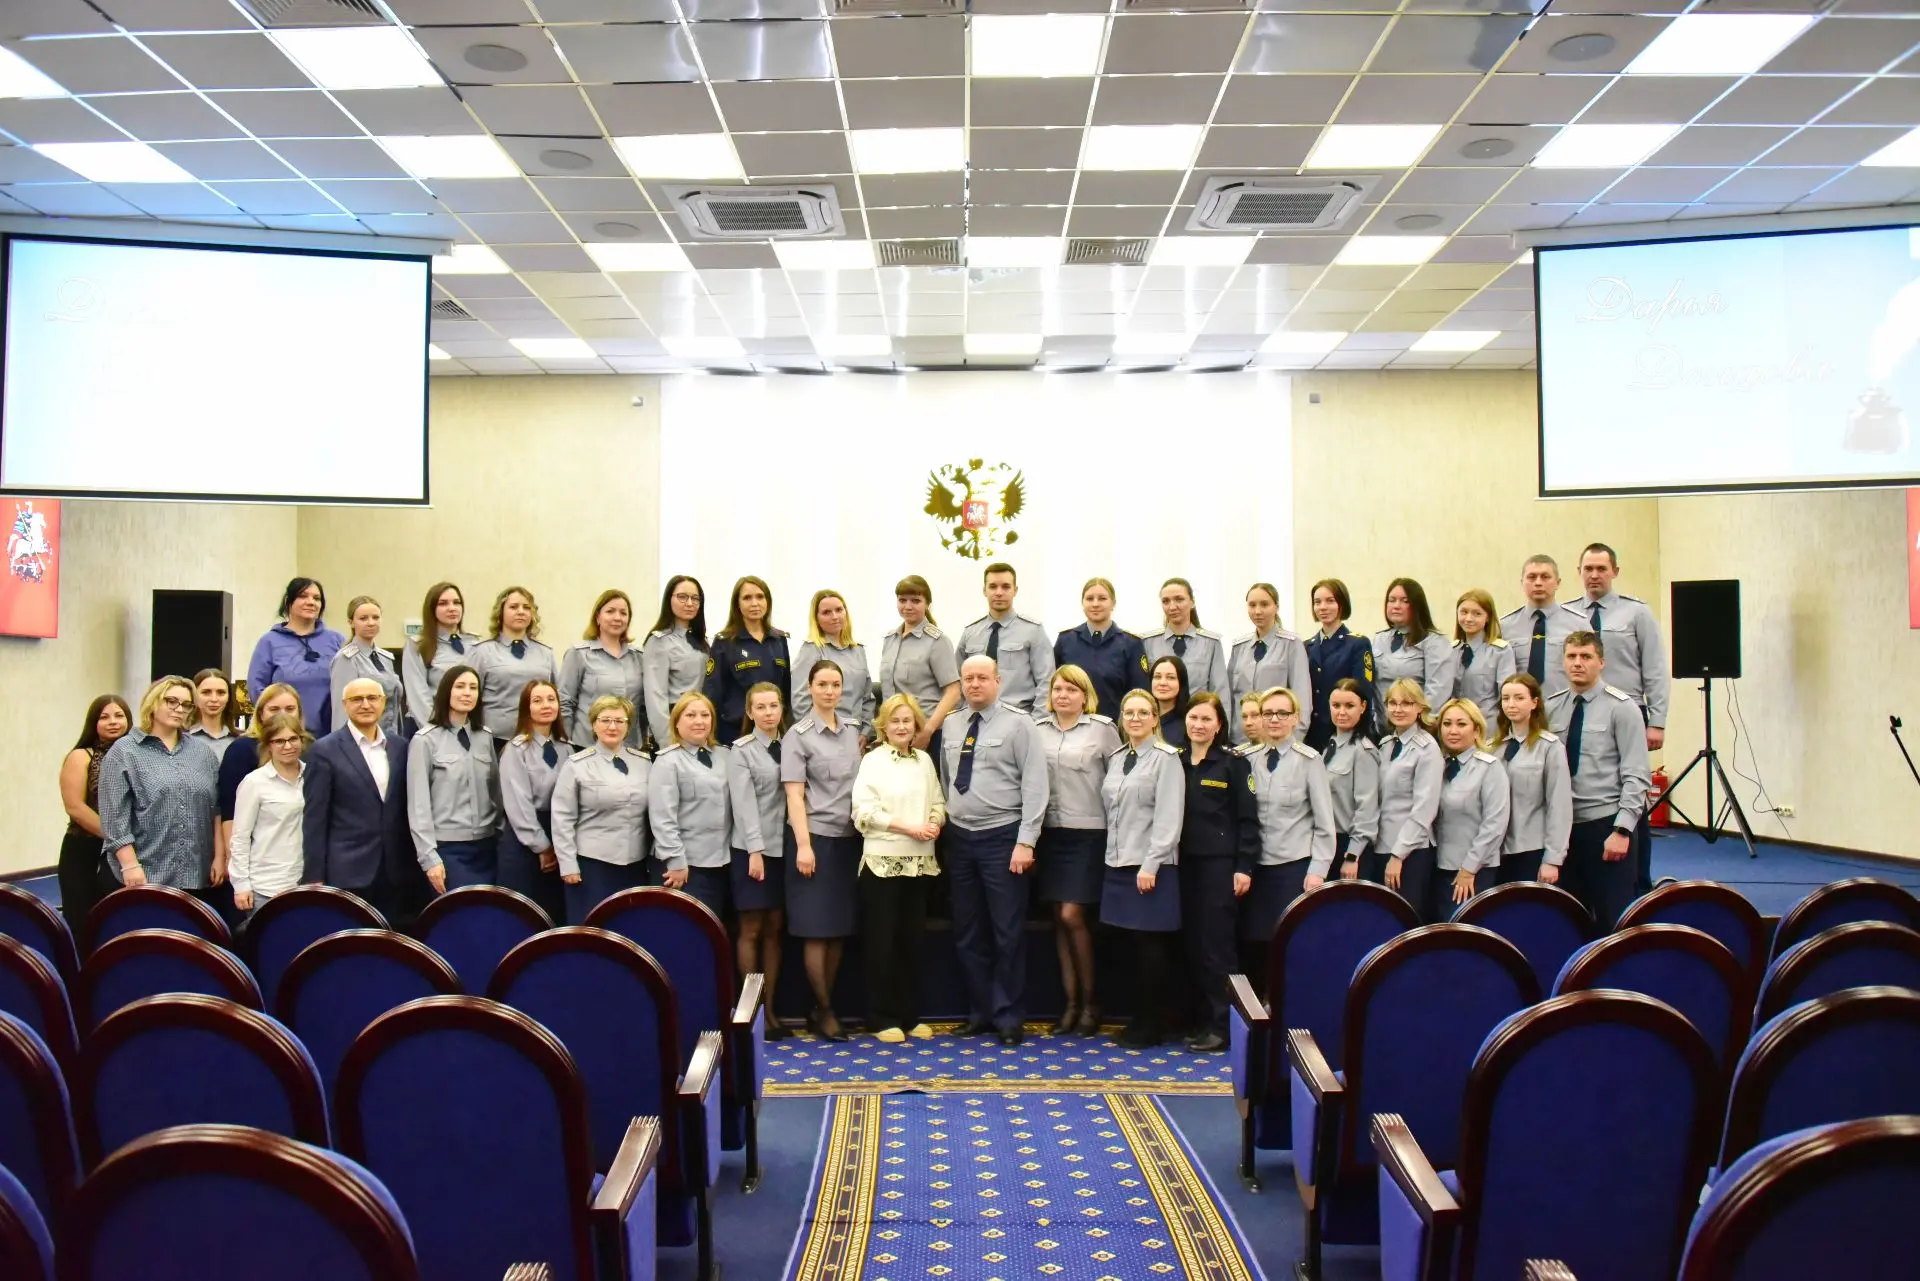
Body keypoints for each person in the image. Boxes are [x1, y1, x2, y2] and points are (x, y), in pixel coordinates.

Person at [942, 655, 1050, 1046]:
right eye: (968, 678)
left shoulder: (1020, 724)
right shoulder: (952, 722)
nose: (974, 684)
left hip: (1003, 838)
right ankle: (980, 1012)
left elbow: (1035, 785)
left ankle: (1008, 1016)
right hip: (960, 839)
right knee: (968, 932)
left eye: (982, 678)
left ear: (998, 681)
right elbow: (948, 778)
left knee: (1007, 932)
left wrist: (1026, 841)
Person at [1560, 543, 1668, 898]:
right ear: (1579, 572)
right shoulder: (1567, 615)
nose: (1594, 575)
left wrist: (1657, 720)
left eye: (1601, 569)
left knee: (1632, 798)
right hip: (1579, 710)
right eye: (1588, 569)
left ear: (1615, 572)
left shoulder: (1636, 612)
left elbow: (1654, 667)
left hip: (1626, 711)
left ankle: (1637, 883)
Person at [851, 693, 945, 1043]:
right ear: (884, 726)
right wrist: (909, 828)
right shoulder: (873, 761)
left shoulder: (924, 760)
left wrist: (934, 822)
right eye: (895, 721)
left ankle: (908, 1016)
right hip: (881, 864)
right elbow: (863, 812)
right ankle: (880, 1017)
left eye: (907, 721)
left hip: (919, 864)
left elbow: (938, 801)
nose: (902, 727)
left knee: (911, 943)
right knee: (882, 944)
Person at [1033, 665, 1120, 1036]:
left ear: (1085, 696)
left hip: (1089, 833)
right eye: (1057, 689)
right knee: (1058, 917)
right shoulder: (1036, 729)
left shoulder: (1102, 729)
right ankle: (1070, 1004)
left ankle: (1091, 1002)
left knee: (1073, 914)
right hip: (1051, 834)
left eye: (1071, 689)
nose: (1063, 695)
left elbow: (1119, 781)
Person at [1545, 632, 1652, 931]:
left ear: (1601, 662)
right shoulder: (1551, 707)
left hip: (1605, 826)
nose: (1578, 663)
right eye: (1571, 656)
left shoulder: (1623, 708)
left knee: (1613, 920)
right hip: (1564, 829)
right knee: (1567, 920)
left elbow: (1636, 774)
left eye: (1586, 656)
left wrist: (1622, 829)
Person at [782, 660, 864, 1041]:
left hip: (848, 840)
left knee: (837, 930)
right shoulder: (797, 736)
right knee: (815, 930)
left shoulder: (852, 732)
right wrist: (803, 845)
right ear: (810, 688)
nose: (830, 691)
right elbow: (794, 796)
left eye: (835, 685)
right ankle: (825, 1010)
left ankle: (821, 1009)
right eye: (822, 684)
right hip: (813, 839)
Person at [1100, 689, 1185, 1049]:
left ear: (1155, 718)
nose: (1135, 719)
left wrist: (1151, 864)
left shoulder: (1167, 759)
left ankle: (1154, 1024)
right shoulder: (1118, 757)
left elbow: (1169, 819)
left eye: (1142, 713)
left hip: (1151, 867)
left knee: (1151, 948)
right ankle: (1139, 1018)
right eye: (1129, 712)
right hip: (1118, 863)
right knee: (1130, 949)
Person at [1178, 692, 1260, 1053]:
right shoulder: (1175, 761)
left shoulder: (1232, 763)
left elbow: (1248, 821)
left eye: (1206, 719)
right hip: (1183, 866)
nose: (1198, 725)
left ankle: (1224, 1025)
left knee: (1218, 948)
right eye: (1193, 718)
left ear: (1219, 725)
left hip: (1219, 866)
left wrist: (1244, 866)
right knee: (1193, 945)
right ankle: (1202, 1020)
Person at [1241, 686, 1336, 985]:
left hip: (1293, 867)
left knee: (1289, 942)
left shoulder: (1309, 760)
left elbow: (1324, 823)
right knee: (1255, 944)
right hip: (1256, 867)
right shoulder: (1246, 759)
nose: (1274, 719)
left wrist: (1318, 870)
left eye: (1282, 713)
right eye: (1268, 713)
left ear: (1295, 718)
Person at [98, 676, 222, 899]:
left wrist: (219, 857)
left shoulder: (203, 753)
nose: (179, 709)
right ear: (153, 703)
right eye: (171, 701)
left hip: (199, 874)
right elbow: (114, 817)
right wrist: (130, 865)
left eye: (186, 704)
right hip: (144, 873)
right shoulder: (124, 751)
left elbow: (216, 810)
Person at [301, 677, 413, 920]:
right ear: (344, 704)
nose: (365, 704)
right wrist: (314, 876)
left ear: (383, 702)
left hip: (396, 871)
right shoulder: (324, 750)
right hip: (347, 872)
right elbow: (314, 819)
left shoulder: (401, 747)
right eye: (357, 699)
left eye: (372, 698)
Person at [551, 695, 651, 924]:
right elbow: (562, 818)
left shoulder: (644, 763)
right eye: (605, 720)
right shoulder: (577, 765)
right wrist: (567, 864)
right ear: (594, 725)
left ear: (628, 726)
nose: (612, 727)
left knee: (630, 929)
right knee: (592, 930)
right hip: (592, 866)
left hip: (635, 865)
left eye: (619, 721)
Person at [729, 681, 790, 1039]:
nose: (768, 713)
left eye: (773, 706)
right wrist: (755, 850)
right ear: (750, 712)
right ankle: (753, 1015)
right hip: (752, 850)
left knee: (773, 931)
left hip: (785, 849)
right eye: (761, 707)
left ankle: (773, 1009)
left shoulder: (791, 744)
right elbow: (743, 805)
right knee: (751, 930)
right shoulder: (742, 751)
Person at [406, 665, 499, 893]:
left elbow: (495, 791)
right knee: (460, 912)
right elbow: (418, 806)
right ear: (446, 691)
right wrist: (429, 857)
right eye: (460, 686)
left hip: (487, 845)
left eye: (473, 687)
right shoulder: (425, 740)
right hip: (447, 849)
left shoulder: (484, 737)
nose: (467, 693)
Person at [649, 691, 733, 918]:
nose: (699, 721)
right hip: (685, 866)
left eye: (705, 715)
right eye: (690, 715)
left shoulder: (725, 756)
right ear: (676, 722)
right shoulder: (668, 761)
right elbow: (662, 817)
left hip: (721, 862)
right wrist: (675, 861)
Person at [57, 694, 131, 933]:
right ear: (93, 723)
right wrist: (117, 837)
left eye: (119, 716)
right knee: (83, 923)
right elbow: (75, 808)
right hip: (85, 850)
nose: (113, 722)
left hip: (128, 852)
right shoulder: (81, 756)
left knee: (120, 921)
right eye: (104, 717)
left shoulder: (138, 756)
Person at [497, 679, 569, 923]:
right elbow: (519, 805)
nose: (545, 705)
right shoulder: (516, 749)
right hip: (525, 840)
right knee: (523, 917)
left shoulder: (566, 749)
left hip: (558, 835)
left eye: (551, 699)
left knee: (554, 916)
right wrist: (542, 847)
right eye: (537, 701)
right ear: (526, 708)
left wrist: (560, 845)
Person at [1432, 698, 1510, 921]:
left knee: (1462, 929)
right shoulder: (1437, 765)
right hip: (1438, 866)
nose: (1452, 731)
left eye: (1461, 724)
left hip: (1473, 870)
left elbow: (1494, 825)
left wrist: (1469, 869)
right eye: (1447, 724)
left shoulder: (1489, 768)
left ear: (1476, 730)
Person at [1491, 674, 1571, 886]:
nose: (1511, 704)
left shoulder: (1549, 747)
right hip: (1494, 850)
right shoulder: (1492, 747)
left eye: (1519, 698)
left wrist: (1553, 858)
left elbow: (1559, 805)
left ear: (1534, 702)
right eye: (1506, 698)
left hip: (1531, 848)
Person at [228, 712, 312, 914]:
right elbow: (240, 837)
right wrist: (241, 884)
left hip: (305, 882)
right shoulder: (254, 782)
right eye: (279, 741)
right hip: (266, 886)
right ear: (268, 745)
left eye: (293, 739)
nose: (288, 746)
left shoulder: (313, 775)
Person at [1374, 678, 1443, 920]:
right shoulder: (1385, 745)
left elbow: (1425, 809)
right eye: (1392, 703)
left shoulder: (1428, 749)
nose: (1398, 709)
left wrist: (1398, 854)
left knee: (1407, 919)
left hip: (1410, 851)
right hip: (1382, 845)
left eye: (1406, 703)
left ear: (1420, 708)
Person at [248, 577, 344, 734]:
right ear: (288, 602)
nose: (311, 602)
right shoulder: (269, 642)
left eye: (316, 598)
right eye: (303, 596)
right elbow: (257, 690)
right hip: (285, 735)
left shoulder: (337, 640)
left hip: (331, 736)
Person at [955, 562, 1053, 714]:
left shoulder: (1033, 631)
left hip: (1018, 716)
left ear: (1015, 590)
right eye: (993, 587)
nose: (999, 592)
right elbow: (957, 681)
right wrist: (963, 716)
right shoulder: (970, 632)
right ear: (984, 590)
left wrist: (1036, 722)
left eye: (1006, 587)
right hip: (976, 717)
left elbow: (1046, 682)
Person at [470, 586, 558, 752]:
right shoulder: (482, 652)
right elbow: (471, 697)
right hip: (495, 741)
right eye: (513, 607)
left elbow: (557, 697)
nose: (521, 612)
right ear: (500, 612)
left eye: (526, 607)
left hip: (536, 741)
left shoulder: (546, 653)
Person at [219, 683, 301, 857]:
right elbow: (230, 810)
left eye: (290, 709)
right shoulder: (241, 749)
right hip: (258, 856)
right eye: (274, 709)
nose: (282, 714)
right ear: (261, 714)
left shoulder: (309, 749)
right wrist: (231, 857)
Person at [881, 574, 960, 752]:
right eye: (902, 600)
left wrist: (928, 730)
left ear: (927, 604)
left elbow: (954, 692)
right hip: (895, 733)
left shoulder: (937, 641)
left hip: (926, 734)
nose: (908, 606)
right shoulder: (890, 640)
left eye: (915, 601)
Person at [705, 576, 791, 740]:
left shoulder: (779, 639)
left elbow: (785, 689)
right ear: (737, 604)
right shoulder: (725, 642)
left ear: (768, 601)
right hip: (735, 733)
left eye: (760, 597)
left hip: (773, 730)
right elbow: (712, 692)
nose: (754, 603)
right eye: (747, 598)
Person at [560, 589, 644, 748]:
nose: (617, 617)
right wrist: (565, 745)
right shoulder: (578, 654)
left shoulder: (639, 657)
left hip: (629, 747)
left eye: (623, 613)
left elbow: (644, 708)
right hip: (586, 746)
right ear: (598, 617)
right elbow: (565, 702)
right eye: (610, 611)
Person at [1228, 582, 1310, 744]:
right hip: (1240, 740)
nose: (1258, 611)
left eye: (1264, 604)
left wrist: (1293, 741)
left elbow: (1302, 699)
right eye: (1252, 605)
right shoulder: (1239, 647)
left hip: (1277, 739)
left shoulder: (1291, 644)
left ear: (1276, 607)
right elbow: (1230, 696)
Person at [1323, 679, 1382, 888]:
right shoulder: (1330, 745)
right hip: (1327, 843)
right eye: (1336, 705)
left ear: (1363, 707)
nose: (1341, 712)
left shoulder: (1363, 751)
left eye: (1349, 706)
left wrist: (1352, 855)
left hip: (1350, 846)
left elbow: (1367, 808)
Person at [1305, 578, 1376, 750]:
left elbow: (1363, 691)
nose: (1323, 607)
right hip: (1312, 734)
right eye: (1317, 602)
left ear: (1341, 604)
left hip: (1344, 732)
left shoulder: (1357, 643)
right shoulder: (1306, 646)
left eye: (1330, 601)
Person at [791, 589, 875, 734]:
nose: (835, 616)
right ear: (816, 618)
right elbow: (800, 700)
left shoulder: (858, 650)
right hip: (824, 733)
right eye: (826, 612)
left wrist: (865, 732)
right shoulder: (811, 649)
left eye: (839, 610)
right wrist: (814, 735)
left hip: (855, 734)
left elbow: (867, 697)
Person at [643, 575, 711, 750]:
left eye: (695, 598)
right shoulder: (659, 641)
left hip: (701, 725)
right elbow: (655, 697)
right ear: (669, 599)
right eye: (682, 597)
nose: (689, 603)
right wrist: (668, 741)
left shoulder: (702, 641)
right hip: (675, 725)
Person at [404, 582, 480, 734]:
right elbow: (418, 695)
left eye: (457, 602)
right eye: (443, 603)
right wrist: (435, 731)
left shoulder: (474, 643)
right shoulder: (418, 645)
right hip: (430, 727)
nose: (452, 608)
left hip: (467, 726)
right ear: (432, 609)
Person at [1373, 578, 1455, 716]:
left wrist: (1419, 720)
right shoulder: (1380, 639)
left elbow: (1438, 691)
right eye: (1391, 600)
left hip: (1417, 723)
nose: (1396, 606)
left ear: (1417, 606)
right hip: (1381, 724)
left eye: (1405, 601)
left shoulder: (1434, 642)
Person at [329, 596, 403, 740]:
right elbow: (341, 711)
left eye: (376, 617)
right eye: (363, 618)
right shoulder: (346, 659)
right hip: (361, 740)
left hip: (389, 738)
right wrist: (342, 746)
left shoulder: (385, 658)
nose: (371, 623)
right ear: (351, 622)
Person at [1500, 555, 1574, 697]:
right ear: (1522, 582)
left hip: (1564, 705)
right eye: (1532, 577)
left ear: (1558, 583)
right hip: (1519, 706)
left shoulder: (1577, 624)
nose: (1538, 583)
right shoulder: (1505, 626)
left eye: (1545, 577)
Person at [1144, 578, 1228, 699]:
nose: (1172, 607)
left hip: (1198, 710)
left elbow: (1220, 691)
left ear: (1192, 602)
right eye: (1166, 601)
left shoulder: (1210, 643)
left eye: (1179, 599)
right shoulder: (1148, 643)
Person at [1452, 589, 1516, 728]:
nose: (1469, 619)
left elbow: (1507, 694)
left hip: (1487, 725)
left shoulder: (1500, 651)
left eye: (1477, 614)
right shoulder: (1450, 651)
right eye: (1464, 612)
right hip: (1456, 726)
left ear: (1488, 618)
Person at [185, 669, 237, 751]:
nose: (214, 699)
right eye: (206, 692)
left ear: (229, 697)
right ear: (193, 695)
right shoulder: (180, 738)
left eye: (221, 692)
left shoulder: (241, 740)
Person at [1149, 654, 1190, 749]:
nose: (1162, 683)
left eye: (1170, 677)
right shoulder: (1141, 718)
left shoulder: (1190, 723)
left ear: (1181, 682)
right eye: (1157, 677)